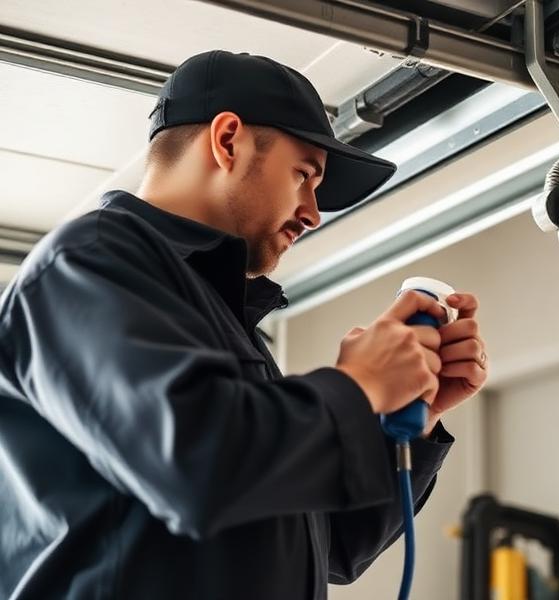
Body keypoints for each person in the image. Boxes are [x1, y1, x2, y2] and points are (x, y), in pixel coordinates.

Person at [0, 50, 488, 599]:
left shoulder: (223, 318)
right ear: (227, 139)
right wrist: (358, 385)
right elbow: (194, 466)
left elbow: (330, 549)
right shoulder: (89, 263)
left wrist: (408, 418)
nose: (312, 213)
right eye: (304, 175)